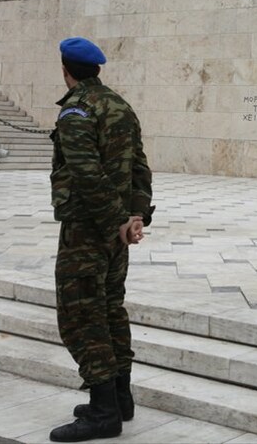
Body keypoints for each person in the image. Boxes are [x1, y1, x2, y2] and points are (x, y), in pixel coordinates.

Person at [49, 37, 153, 443]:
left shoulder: (76, 111)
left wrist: (115, 221)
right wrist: (134, 216)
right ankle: (119, 399)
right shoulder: (121, 106)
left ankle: (104, 412)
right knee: (110, 309)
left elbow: (87, 174)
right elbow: (140, 168)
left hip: (87, 229)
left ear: (65, 70)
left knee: (81, 317)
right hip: (115, 231)